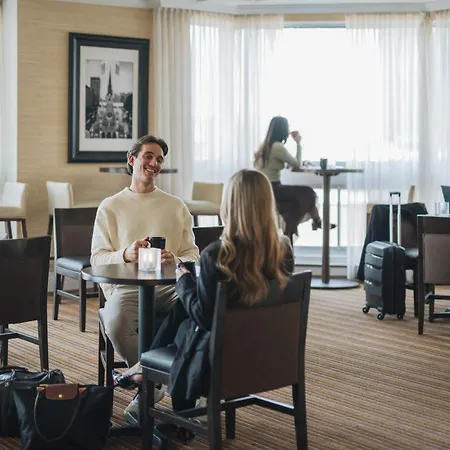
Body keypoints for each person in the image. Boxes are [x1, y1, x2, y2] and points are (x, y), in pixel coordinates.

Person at [115, 169, 295, 418]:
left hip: (221, 355)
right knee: (183, 307)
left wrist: (183, 282)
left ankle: (175, 407)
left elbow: (204, 317)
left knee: (187, 320)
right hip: (268, 349)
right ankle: (143, 368)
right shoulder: (283, 249)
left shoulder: (219, 254)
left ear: (230, 205)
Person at [91, 134, 200, 413]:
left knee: (199, 314)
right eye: (148, 156)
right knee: (114, 321)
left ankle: (157, 382)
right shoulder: (110, 206)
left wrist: (176, 259)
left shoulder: (176, 206)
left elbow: (193, 254)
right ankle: (154, 382)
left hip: (169, 287)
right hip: (127, 289)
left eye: (159, 159)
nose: (154, 163)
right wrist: (125, 253)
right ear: (132, 160)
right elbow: (97, 258)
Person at [254, 115, 335, 243]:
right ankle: (316, 221)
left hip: (263, 189)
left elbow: (275, 164)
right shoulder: (277, 147)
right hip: (273, 188)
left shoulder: (264, 146)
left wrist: (298, 162)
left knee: (293, 208)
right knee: (308, 193)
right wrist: (298, 143)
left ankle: (293, 235)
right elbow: (296, 164)